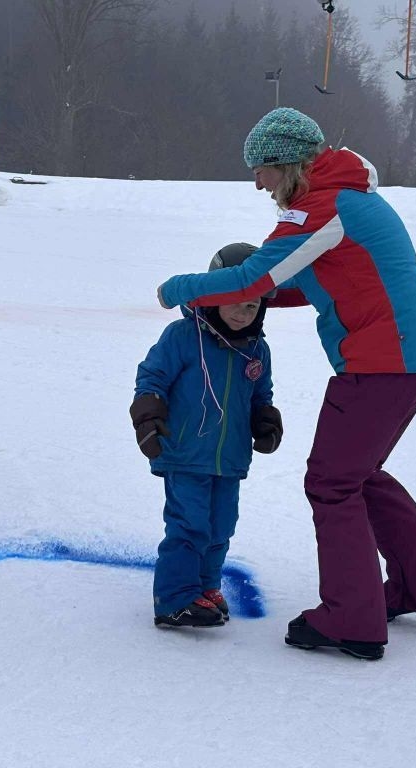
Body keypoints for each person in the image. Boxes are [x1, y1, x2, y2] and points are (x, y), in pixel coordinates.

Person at [156, 107, 416, 659]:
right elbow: (304, 284)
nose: (258, 184)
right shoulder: (347, 197)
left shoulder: (323, 204)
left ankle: (351, 619)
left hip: (382, 359)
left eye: (261, 171)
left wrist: (180, 288)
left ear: (286, 163)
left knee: (332, 483)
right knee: (359, 474)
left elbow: (254, 276)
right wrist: (250, 298)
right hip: (407, 355)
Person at [133, 244, 284, 628]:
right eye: (234, 301)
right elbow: (152, 378)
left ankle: (205, 586)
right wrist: (148, 417)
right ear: (212, 295)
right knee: (189, 525)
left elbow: (261, 395)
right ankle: (175, 598)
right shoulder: (183, 336)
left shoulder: (257, 350)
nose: (242, 313)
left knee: (220, 527)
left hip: (230, 458)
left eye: (252, 305)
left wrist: (265, 421)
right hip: (185, 451)